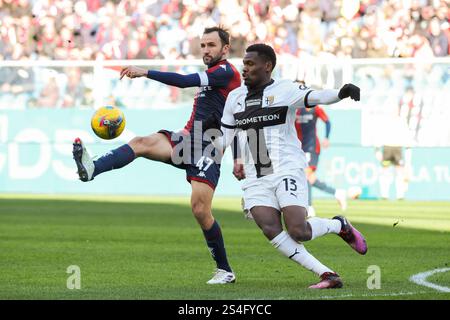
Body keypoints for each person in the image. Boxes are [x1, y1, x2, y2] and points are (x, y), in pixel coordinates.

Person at [72, 26, 241, 284]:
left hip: (209, 147)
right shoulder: (212, 74)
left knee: (200, 210)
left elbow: (185, 82)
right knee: (141, 142)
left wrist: (145, 72)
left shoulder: (226, 72)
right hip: (186, 140)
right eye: (203, 45)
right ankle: (92, 168)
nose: (206, 50)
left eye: (211, 45)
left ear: (225, 49)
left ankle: (225, 270)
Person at [207, 44, 367, 289]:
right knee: (269, 226)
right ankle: (328, 275)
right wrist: (208, 137)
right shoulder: (235, 98)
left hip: (286, 166)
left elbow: (315, 96)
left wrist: (341, 92)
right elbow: (225, 140)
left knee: (298, 230)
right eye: (244, 64)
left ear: (267, 66)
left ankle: (339, 225)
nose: (245, 69)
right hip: (256, 172)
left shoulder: (284, 89)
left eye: (250, 64)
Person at [294, 101, 361, 215]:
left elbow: (327, 122)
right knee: (310, 179)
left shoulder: (315, 108)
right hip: (300, 148)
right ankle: (337, 193)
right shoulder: (297, 110)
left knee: (306, 174)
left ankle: (309, 207)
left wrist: (326, 138)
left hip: (312, 146)